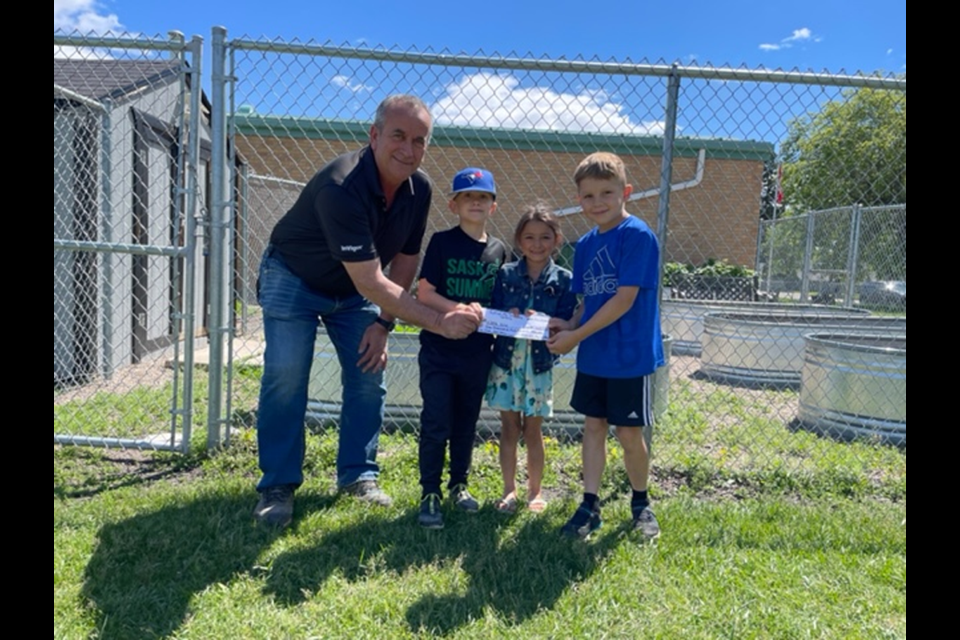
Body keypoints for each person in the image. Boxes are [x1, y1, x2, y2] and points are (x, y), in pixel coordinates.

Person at [253, 95, 482, 527]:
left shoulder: (420, 189)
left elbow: (407, 260)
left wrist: (384, 323)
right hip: (293, 277)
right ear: (374, 135)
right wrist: (438, 321)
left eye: (420, 140)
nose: (408, 150)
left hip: (353, 287)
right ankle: (277, 485)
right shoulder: (341, 186)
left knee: (368, 374)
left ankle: (358, 475)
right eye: (398, 136)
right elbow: (372, 281)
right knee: (286, 376)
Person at [547, 152, 664, 540]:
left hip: (630, 356)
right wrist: (569, 324)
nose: (597, 203)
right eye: (588, 196)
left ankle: (640, 502)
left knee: (629, 434)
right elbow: (588, 302)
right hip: (594, 356)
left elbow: (623, 300)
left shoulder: (637, 236)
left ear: (625, 192)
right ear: (578, 199)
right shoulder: (583, 246)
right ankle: (589, 504)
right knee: (593, 426)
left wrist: (574, 338)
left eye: (606, 193)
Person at [415, 168, 507, 529]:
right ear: (454, 204)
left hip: (477, 354)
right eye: (468, 197)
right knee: (437, 421)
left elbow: (502, 301)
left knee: (466, 421)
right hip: (439, 351)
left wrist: (497, 314)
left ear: (493, 206)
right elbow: (425, 293)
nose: (475, 202)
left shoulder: (500, 250)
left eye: (483, 197)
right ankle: (429, 492)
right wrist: (457, 309)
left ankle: (459, 485)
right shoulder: (441, 242)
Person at [485, 203, 577, 514]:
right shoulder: (506, 274)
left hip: (538, 365)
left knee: (533, 430)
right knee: (509, 427)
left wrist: (549, 320)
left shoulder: (565, 280)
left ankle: (535, 491)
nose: (537, 245)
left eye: (544, 238)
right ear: (519, 241)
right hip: (507, 361)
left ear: (557, 240)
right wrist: (507, 314)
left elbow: (566, 321)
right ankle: (509, 490)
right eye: (529, 238)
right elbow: (493, 310)